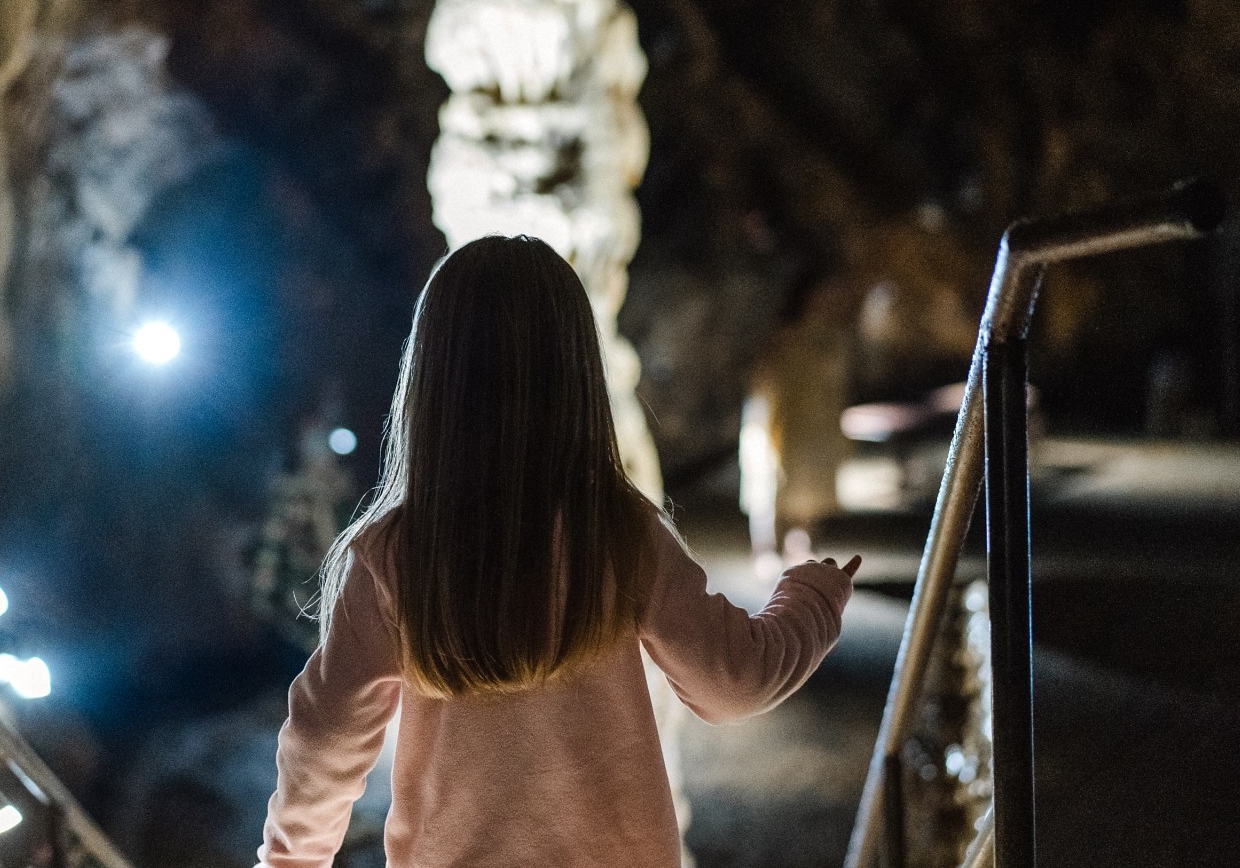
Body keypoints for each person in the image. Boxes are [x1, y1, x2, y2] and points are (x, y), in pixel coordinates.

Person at [256, 236, 860, 868]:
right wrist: (813, 599)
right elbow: (733, 681)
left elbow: (324, 740)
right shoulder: (621, 535)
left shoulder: (394, 556)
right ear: (576, 376)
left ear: (432, 378)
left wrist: (290, 861)